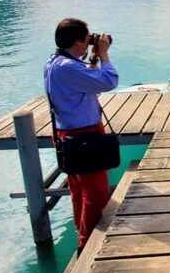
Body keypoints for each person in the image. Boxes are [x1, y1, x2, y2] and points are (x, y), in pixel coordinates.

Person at [44, 18, 119, 253]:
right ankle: (88, 247)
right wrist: (105, 54)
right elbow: (109, 81)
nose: (88, 44)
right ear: (77, 42)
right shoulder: (68, 67)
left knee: (78, 191)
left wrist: (94, 57)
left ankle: (81, 231)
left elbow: (90, 84)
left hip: (68, 135)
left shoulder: (55, 63)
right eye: (86, 40)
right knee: (96, 193)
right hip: (84, 137)